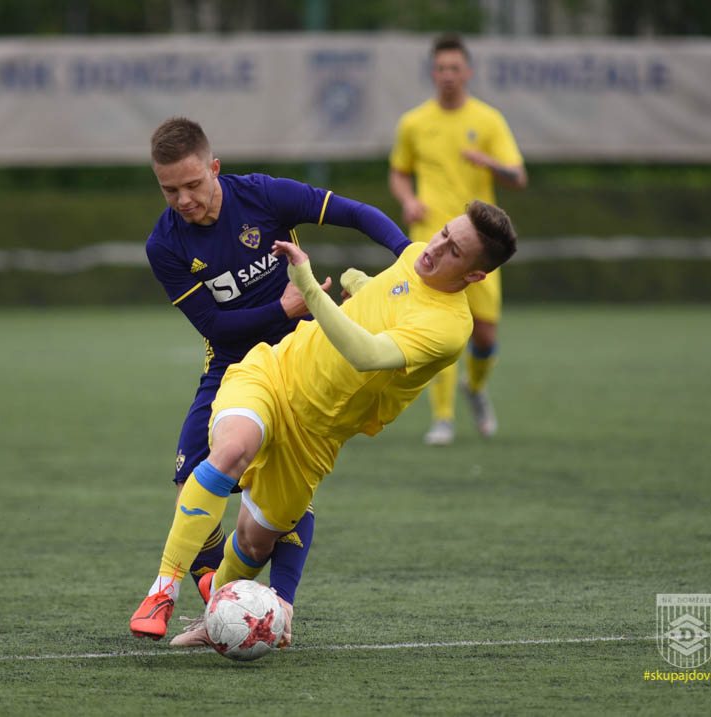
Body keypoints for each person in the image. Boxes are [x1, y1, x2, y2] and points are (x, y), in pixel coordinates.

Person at [130, 200, 517, 645]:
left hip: (317, 434)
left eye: (454, 251)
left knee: (255, 542)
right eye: (444, 232)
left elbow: (367, 354)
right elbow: (391, 297)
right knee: (232, 449)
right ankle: (163, 589)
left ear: (474, 276)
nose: (436, 247)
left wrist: (309, 286)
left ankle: (215, 611)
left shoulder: (449, 328)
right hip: (274, 372)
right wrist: (361, 284)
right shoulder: (415, 254)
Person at [141, 117, 412, 645]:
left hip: (298, 358)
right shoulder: (164, 244)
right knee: (189, 479)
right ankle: (217, 596)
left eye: (193, 184)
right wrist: (283, 307)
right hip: (230, 362)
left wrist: (407, 255)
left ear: (214, 168)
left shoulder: (262, 196)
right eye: (170, 190)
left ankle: (279, 604)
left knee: (286, 483)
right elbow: (214, 326)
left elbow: (354, 213)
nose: (184, 200)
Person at [388, 34, 526, 445]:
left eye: (455, 68)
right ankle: (443, 418)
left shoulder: (488, 120)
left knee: (484, 336)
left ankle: (476, 388)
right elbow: (399, 172)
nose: (448, 75)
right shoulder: (413, 123)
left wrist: (489, 162)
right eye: (441, 68)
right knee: (437, 328)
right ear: (432, 73)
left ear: (468, 72)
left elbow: (518, 177)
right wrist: (409, 200)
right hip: (431, 239)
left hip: (477, 245)